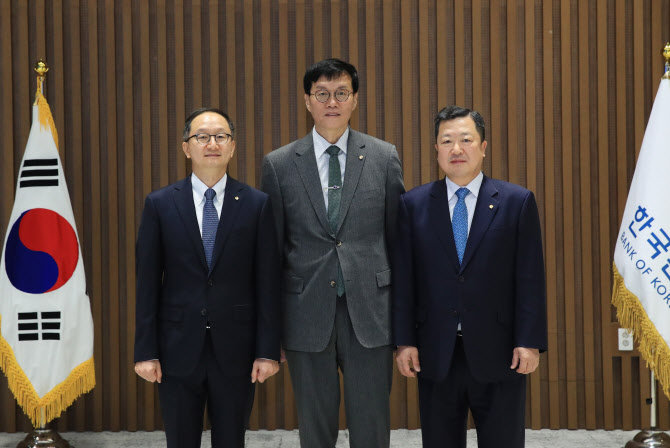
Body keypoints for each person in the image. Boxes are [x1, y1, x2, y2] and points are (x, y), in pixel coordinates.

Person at [260, 58, 405, 448]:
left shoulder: (383, 156)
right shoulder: (278, 165)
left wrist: (404, 322)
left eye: (341, 93)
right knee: (315, 427)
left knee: (372, 426)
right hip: (305, 313)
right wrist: (270, 331)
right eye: (322, 94)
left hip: (370, 314)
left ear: (354, 99)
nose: (332, 102)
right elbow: (271, 254)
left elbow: (398, 244)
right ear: (308, 101)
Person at [393, 105, 547, 448]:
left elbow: (530, 278)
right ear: (436, 149)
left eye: (466, 139)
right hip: (436, 352)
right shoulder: (413, 205)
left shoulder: (516, 202)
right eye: (447, 141)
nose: (456, 149)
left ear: (483, 146)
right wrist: (404, 341)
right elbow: (405, 281)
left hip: (501, 350)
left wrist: (529, 340)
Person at [133, 108, 281, 448]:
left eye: (220, 136)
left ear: (232, 147)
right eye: (202, 136)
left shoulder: (257, 205)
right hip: (176, 349)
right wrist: (146, 351)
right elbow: (146, 283)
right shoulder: (160, 204)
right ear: (187, 148)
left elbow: (268, 283)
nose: (211, 143)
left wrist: (267, 351)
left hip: (237, 350)